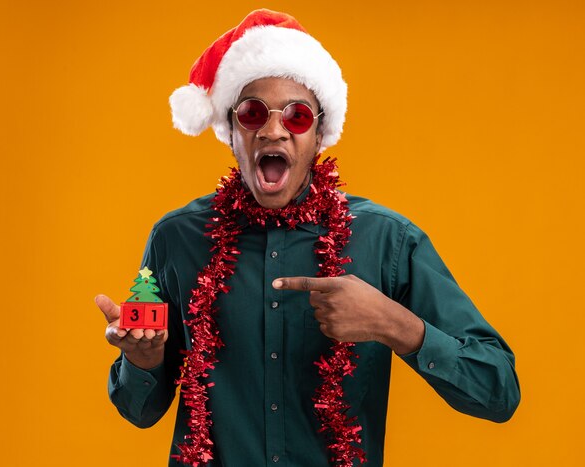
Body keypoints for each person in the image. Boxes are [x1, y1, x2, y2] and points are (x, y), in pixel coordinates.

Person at [95, 9, 520, 467]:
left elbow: (498, 392)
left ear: (319, 135)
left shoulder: (388, 242)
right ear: (231, 133)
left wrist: (395, 325)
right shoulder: (177, 239)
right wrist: (142, 360)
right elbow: (139, 411)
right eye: (252, 113)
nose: (273, 129)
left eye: (296, 116)